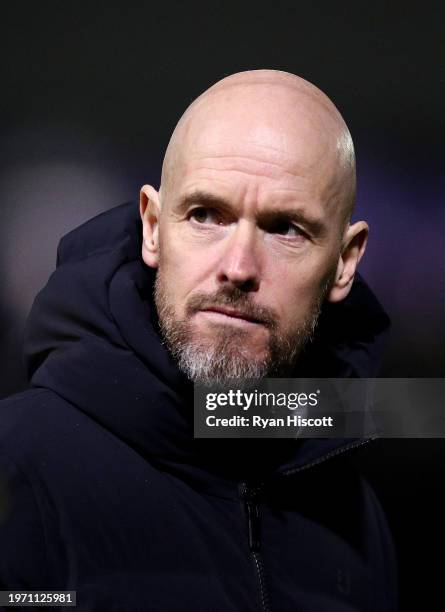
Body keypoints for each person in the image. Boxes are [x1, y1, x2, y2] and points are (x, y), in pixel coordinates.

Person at [0, 70, 397, 610]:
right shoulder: (18, 463)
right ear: (153, 227)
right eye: (206, 215)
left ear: (345, 262)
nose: (237, 268)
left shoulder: (352, 511)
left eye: (285, 228)